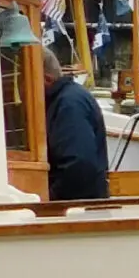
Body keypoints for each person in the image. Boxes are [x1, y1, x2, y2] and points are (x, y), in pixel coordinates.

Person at [42, 46, 109, 201]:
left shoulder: (69, 104)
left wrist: (47, 199)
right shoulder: (67, 99)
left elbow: (79, 165)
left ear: (46, 78)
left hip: (76, 212)